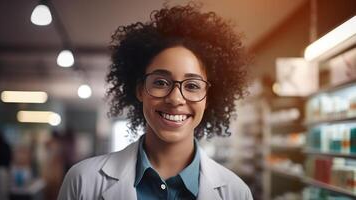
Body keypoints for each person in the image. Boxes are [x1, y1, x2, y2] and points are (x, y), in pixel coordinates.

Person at [58, 2, 252, 200]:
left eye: (192, 86)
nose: (175, 98)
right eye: (160, 82)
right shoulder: (82, 181)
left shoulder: (237, 193)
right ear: (140, 90)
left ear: (208, 98)